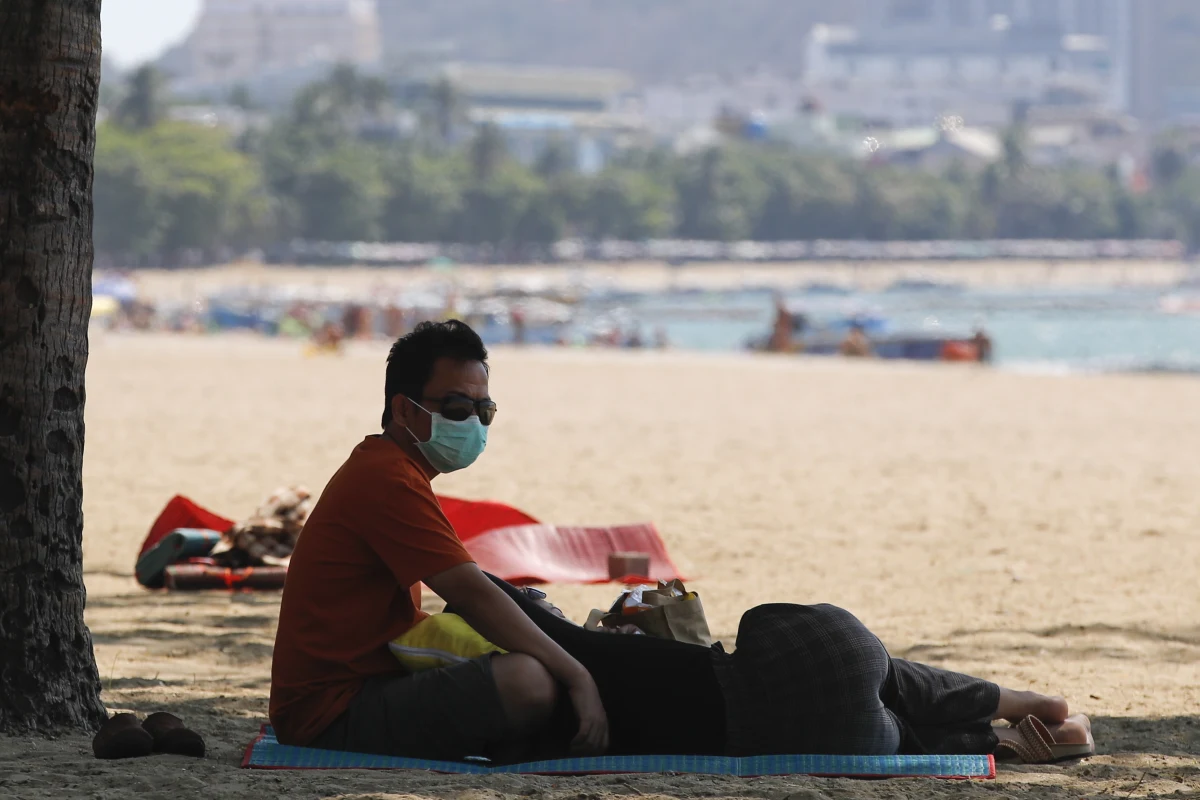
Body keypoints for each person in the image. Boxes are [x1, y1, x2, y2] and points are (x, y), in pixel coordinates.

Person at [270, 321, 608, 763]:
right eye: (455, 407)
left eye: (483, 410)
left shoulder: (393, 467)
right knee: (529, 680)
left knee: (527, 648)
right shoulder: (386, 478)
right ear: (405, 410)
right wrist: (578, 674)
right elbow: (470, 592)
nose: (472, 422)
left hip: (371, 683)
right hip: (331, 714)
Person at [474, 576, 1093, 762]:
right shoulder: (584, 655)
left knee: (905, 735)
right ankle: (1022, 703)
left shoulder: (552, 728)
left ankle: (1004, 742)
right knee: (895, 679)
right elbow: (480, 586)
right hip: (803, 665)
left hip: (825, 741)